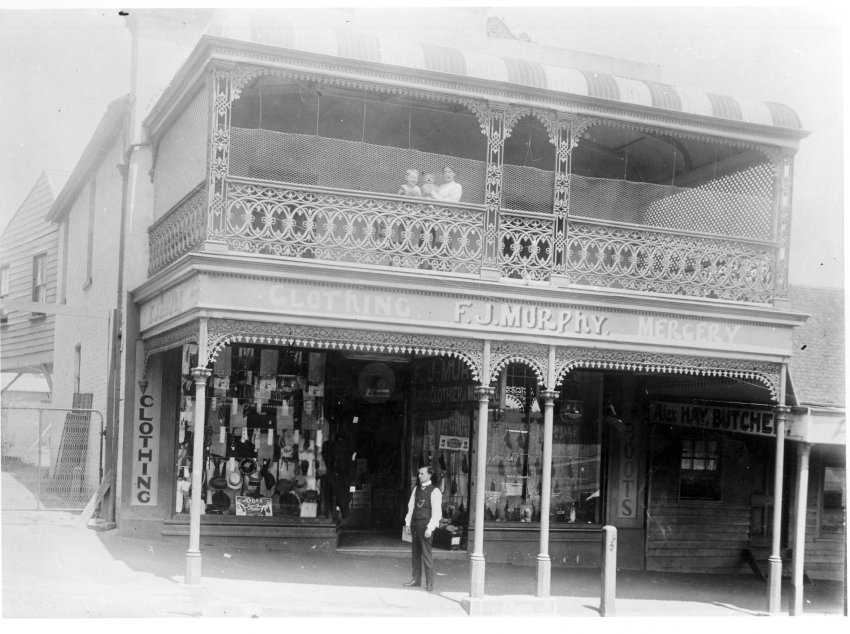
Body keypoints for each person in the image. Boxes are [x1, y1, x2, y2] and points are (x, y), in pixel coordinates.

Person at [403, 465, 442, 592]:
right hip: (415, 525)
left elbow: (437, 513)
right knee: (415, 554)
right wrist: (408, 524)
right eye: (419, 474)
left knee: (426, 554)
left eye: (422, 474)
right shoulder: (416, 489)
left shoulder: (435, 491)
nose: (419, 476)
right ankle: (416, 579)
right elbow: (411, 507)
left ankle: (430, 582)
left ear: (429, 475)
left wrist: (430, 528)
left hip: (425, 527)